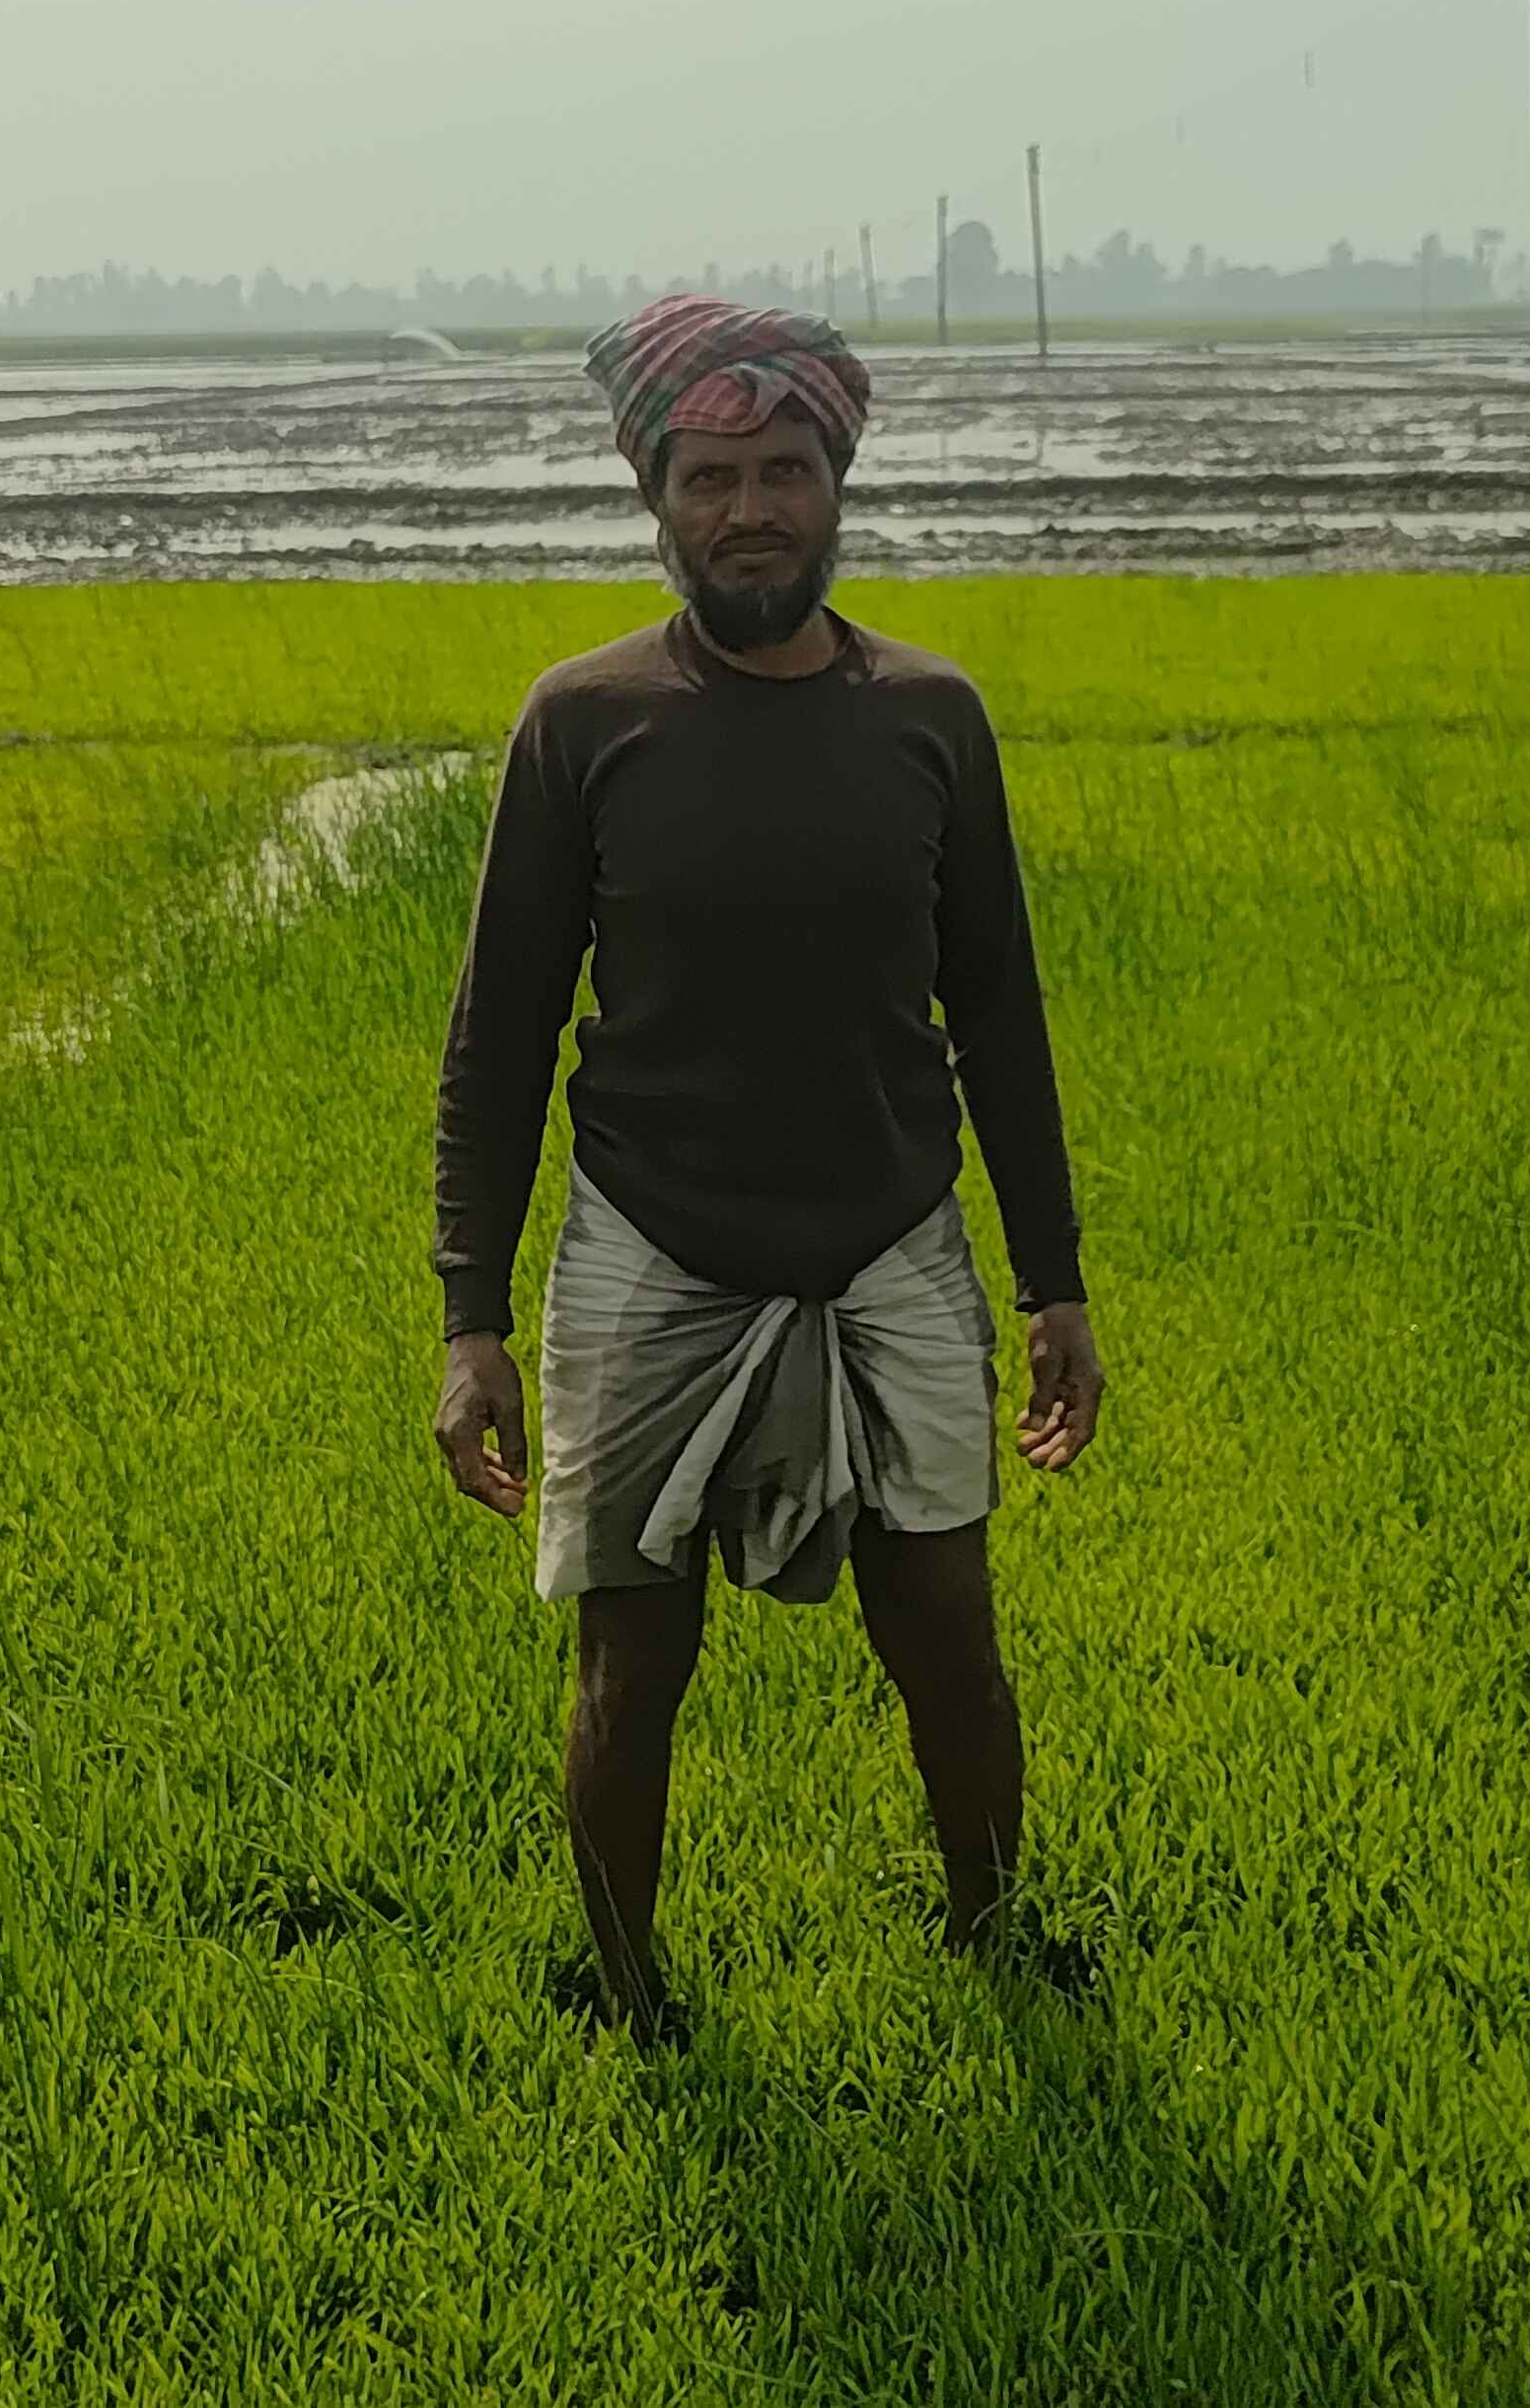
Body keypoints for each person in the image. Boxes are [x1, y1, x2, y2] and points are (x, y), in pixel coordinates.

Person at [430, 293, 1105, 2038]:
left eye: (784, 471)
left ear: (837, 482)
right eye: (711, 478)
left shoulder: (931, 718)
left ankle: (995, 1946)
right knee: (630, 1653)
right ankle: (624, 1993)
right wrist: (469, 1318)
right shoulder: (584, 722)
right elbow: (500, 1036)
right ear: (655, 498)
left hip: (892, 1241)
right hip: (650, 1247)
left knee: (947, 1628)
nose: (750, 511)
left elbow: (999, 1014)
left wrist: (1054, 1283)